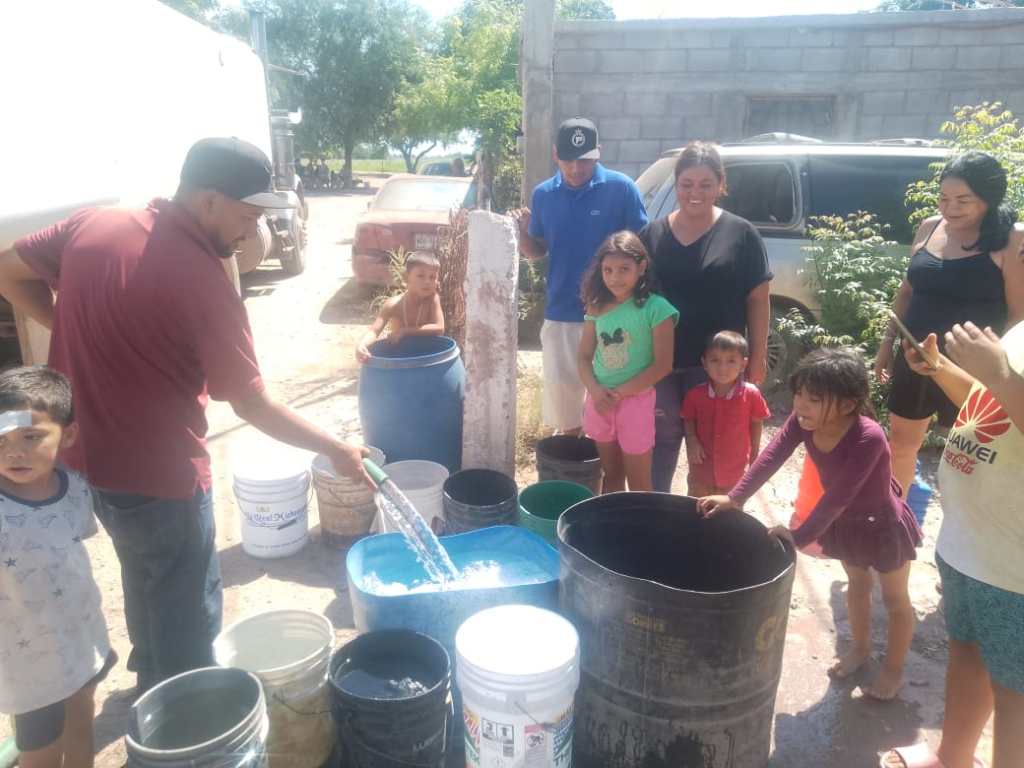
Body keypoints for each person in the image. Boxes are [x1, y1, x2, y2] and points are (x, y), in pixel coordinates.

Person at [0, 137, 368, 697]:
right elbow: (249, 403)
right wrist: (338, 450)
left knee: (143, 572)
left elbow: (6, 271)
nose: (251, 232)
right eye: (248, 216)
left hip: (84, 465)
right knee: (188, 606)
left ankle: (150, 675)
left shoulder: (95, 225)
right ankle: (179, 710)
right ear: (209, 200)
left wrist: (64, 325)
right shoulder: (204, 283)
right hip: (163, 479)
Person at [700, 348, 922, 701]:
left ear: (848, 405)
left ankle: (893, 670)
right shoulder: (804, 422)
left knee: (895, 599)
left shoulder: (868, 436)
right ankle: (860, 649)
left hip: (882, 526)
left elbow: (840, 496)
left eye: (814, 399)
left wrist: (801, 536)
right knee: (857, 585)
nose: (800, 405)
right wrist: (735, 497)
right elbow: (772, 455)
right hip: (847, 525)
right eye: (799, 394)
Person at [882, 319, 1024, 768]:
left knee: (1015, 695)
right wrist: (940, 368)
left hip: (1013, 568)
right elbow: (990, 403)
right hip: (968, 543)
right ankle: (954, 758)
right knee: (967, 652)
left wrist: (1000, 374)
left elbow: (1004, 386)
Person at [875, 150, 1024, 496]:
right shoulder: (929, 228)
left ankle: (959, 533)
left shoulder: (1011, 240)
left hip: (972, 371)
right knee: (900, 447)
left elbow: (1018, 317)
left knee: (969, 457)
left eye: (963, 200)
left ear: (988, 199)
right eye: (943, 198)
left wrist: (1004, 374)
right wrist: (886, 346)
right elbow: (907, 293)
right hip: (916, 358)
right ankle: (897, 526)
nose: (949, 208)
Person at [639, 142, 772, 492]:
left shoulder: (741, 234)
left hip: (719, 363)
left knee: (715, 449)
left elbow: (758, 298)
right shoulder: (651, 235)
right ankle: (656, 511)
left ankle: (705, 522)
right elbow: (631, 298)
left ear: (720, 184)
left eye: (704, 184)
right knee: (662, 440)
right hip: (661, 363)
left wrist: (756, 357)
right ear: (675, 184)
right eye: (686, 184)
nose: (694, 193)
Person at [0, 367, 115, 768]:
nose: (15, 452)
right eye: (1, 439)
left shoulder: (75, 488)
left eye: (31, 437)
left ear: (66, 436)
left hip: (80, 639)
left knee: (82, 717)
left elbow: (75, 542)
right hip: (28, 664)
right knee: (42, 750)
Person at [511, 117, 649, 436]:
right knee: (565, 407)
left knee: (611, 402)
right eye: (569, 160)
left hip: (617, 315)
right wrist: (521, 234)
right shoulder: (543, 194)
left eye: (584, 160)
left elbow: (643, 249)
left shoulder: (622, 188)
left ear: (598, 153)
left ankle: (605, 474)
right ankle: (574, 471)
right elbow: (539, 250)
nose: (576, 168)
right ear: (556, 155)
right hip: (563, 311)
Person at [577, 232, 677, 492]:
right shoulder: (596, 306)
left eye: (624, 269)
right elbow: (584, 357)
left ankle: (640, 531)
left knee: (639, 481)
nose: (615, 278)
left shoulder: (657, 308)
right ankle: (613, 529)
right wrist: (596, 392)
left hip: (636, 403)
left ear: (641, 267)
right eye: (608, 270)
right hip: (599, 402)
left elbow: (663, 364)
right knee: (610, 475)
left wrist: (619, 393)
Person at [681, 330, 771, 497]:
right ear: (705, 363)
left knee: (730, 519)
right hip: (700, 474)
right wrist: (691, 440)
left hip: (734, 476)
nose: (722, 368)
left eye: (731, 361)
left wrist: (754, 457)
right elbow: (688, 418)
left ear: (743, 364)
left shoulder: (751, 394)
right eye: (715, 360)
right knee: (695, 515)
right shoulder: (694, 395)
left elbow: (757, 422)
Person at [356, 252, 445, 363]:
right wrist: (361, 345)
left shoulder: (432, 300)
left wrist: (405, 331)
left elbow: (439, 328)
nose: (427, 281)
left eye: (433, 277)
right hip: (400, 360)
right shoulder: (393, 305)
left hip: (427, 358)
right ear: (406, 277)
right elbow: (374, 330)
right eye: (421, 276)